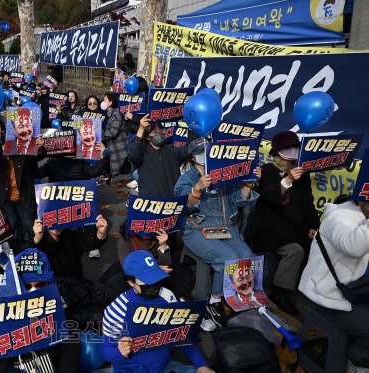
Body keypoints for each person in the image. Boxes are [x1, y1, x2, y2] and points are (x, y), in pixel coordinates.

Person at [173, 137, 259, 328]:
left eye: (209, 151)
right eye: (201, 152)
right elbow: (183, 206)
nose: (206, 156)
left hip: (225, 227)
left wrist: (247, 186)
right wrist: (196, 189)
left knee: (246, 257)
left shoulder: (224, 174)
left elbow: (239, 201)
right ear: (193, 158)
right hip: (196, 229)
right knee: (227, 257)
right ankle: (214, 301)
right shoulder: (187, 178)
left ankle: (238, 298)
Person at [101, 250, 213, 373]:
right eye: (147, 280)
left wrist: (200, 365)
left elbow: (180, 336)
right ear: (130, 282)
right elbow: (105, 351)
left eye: (155, 277)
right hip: (131, 370)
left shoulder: (167, 296)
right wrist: (119, 352)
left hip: (164, 367)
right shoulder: (117, 310)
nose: (153, 284)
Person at [0, 248, 81, 373]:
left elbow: (72, 341)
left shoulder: (57, 301)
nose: (33, 291)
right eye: (28, 286)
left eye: (40, 285)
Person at [251, 130, 319, 315]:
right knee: (295, 251)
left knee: (316, 243)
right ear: (277, 151)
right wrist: (288, 179)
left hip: (294, 224)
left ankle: (310, 290)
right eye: (286, 148)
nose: (291, 152)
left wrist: (313, 224)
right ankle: (279, 292)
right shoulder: (267, 170)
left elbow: (308, 203)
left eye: (295, 147)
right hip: (269, 224)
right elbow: (270, 194)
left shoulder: (303, 174)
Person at [298, 195, 369, 372]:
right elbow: (355, 246)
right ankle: (356, 363)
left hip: (356, 291)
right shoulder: (341, 216)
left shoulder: (363, 216)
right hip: (328, 296)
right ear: (362, 199)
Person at [0, 131, 46, 246]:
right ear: (2, 145)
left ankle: (37, 253)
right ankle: (8, 255)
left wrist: (39, 147)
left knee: (30, 225)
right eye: (6, 145)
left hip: (24, 197)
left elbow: (37, 156)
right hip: (5, 199)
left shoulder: (24, 153)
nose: (9, 148)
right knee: (11, 224)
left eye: (13, 145)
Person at [129, 117, 193, 197]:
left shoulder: (172, 150)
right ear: (147, 137)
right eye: (154, 132)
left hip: (173, 201)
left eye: (161, 130)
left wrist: (192, 128)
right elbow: (133, 155)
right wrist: (141, 129)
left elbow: (189, 148)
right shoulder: (143, 154)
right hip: (152, 202)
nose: (158, 133)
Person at [29, 215, 108, 276]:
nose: (57, 224)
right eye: (53, 219)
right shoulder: (40, 241)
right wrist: (36, 239)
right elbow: (27, 255)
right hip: (51, 290)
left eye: (61, 219)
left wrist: (101, 233)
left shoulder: (73, 237)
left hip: (75, 287)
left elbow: (91, 241)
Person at [101, 92, 127, 182]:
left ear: (110, 103)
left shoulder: (116, 114)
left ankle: (100, 174)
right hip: (110, 144)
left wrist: (96, 134)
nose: (102, 102)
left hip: (117, 147)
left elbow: (112, 133)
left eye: (104, 100)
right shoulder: (107, 113)